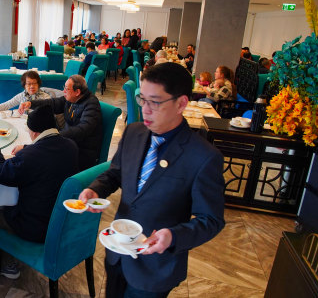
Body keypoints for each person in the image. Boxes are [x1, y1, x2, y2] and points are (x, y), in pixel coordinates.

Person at [78, 62, 225, 297]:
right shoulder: (134, 132)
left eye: (155, 102)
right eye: (142, 99)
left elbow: (211, 220)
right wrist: (95, 190)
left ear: (181, 103)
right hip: (117, 252)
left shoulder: (203, 157)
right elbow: (115, 172)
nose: (145, 109)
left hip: (155, 266)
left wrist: (174, 236)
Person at [0, 105, 78, 244]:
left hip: (34, 226)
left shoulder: (29, 157)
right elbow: (48, 151)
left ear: (34, 132)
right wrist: (26, 147)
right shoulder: (71, 146)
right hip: (63, 219)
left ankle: (6, 259)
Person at [18, 75, 101, 172]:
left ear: (77, 92)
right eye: (64, 88)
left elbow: (82, 130)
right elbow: (53, 103)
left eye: (67, 89)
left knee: (42, 156)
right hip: (69, 142)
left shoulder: (91, 104)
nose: (64, 91)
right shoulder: (71, 99)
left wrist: (55, 136)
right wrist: (31, 104)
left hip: (82, 151)